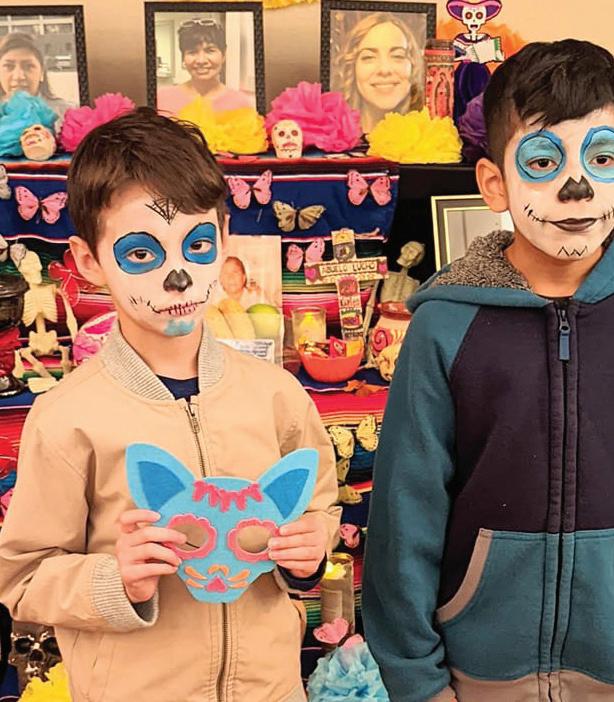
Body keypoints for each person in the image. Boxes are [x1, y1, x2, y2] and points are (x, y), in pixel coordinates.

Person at [0, 108, 340, 702]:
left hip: (270, 690)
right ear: (88, 261)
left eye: (198, 245)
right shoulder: (66, 420)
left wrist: (308, 551)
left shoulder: (276, 395)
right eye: (141, 254)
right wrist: (115, 580)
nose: (179, 276)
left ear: (224, 241)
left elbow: (315, 508)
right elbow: (24, 576)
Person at [363, 39, 614, 702]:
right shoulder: (444, 327)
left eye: (603, 158)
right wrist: (417, 682)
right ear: (495, 183)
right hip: (479, 672)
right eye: (543, 161)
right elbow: (404, 513)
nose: (577, 187)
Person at [334, 12, 424, 134]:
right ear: (352, 68)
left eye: (398, 56)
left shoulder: (433, 134)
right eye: (369, 57)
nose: (385, 70)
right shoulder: (332, 133)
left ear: (414, 66)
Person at [157, 18, 253, 117]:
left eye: (210, 51)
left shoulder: (240, 103)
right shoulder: (161, 99)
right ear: (183, 57)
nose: (201, 60)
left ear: (223, 55)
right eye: (192, 52)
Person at [0, 33, 73, 121]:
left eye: (28, 66)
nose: (18, 76)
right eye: (9, 66)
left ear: (42, 73)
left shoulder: (67, 114)